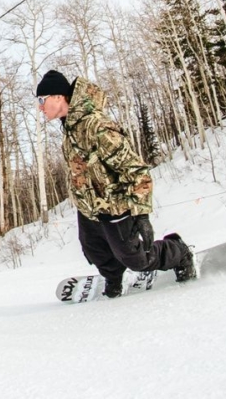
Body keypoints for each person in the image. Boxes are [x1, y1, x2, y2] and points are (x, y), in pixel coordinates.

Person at [36, 70, 195, 298]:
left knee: (136, 259)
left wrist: (141, 214)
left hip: (114, 206)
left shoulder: (96, 126)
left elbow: (134, 168)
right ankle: (114, 276)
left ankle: (178, 251)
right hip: (90, 208)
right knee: (94, 250)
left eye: (42, 100)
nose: (40, 107)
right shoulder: (70, 130)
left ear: (59, 97)